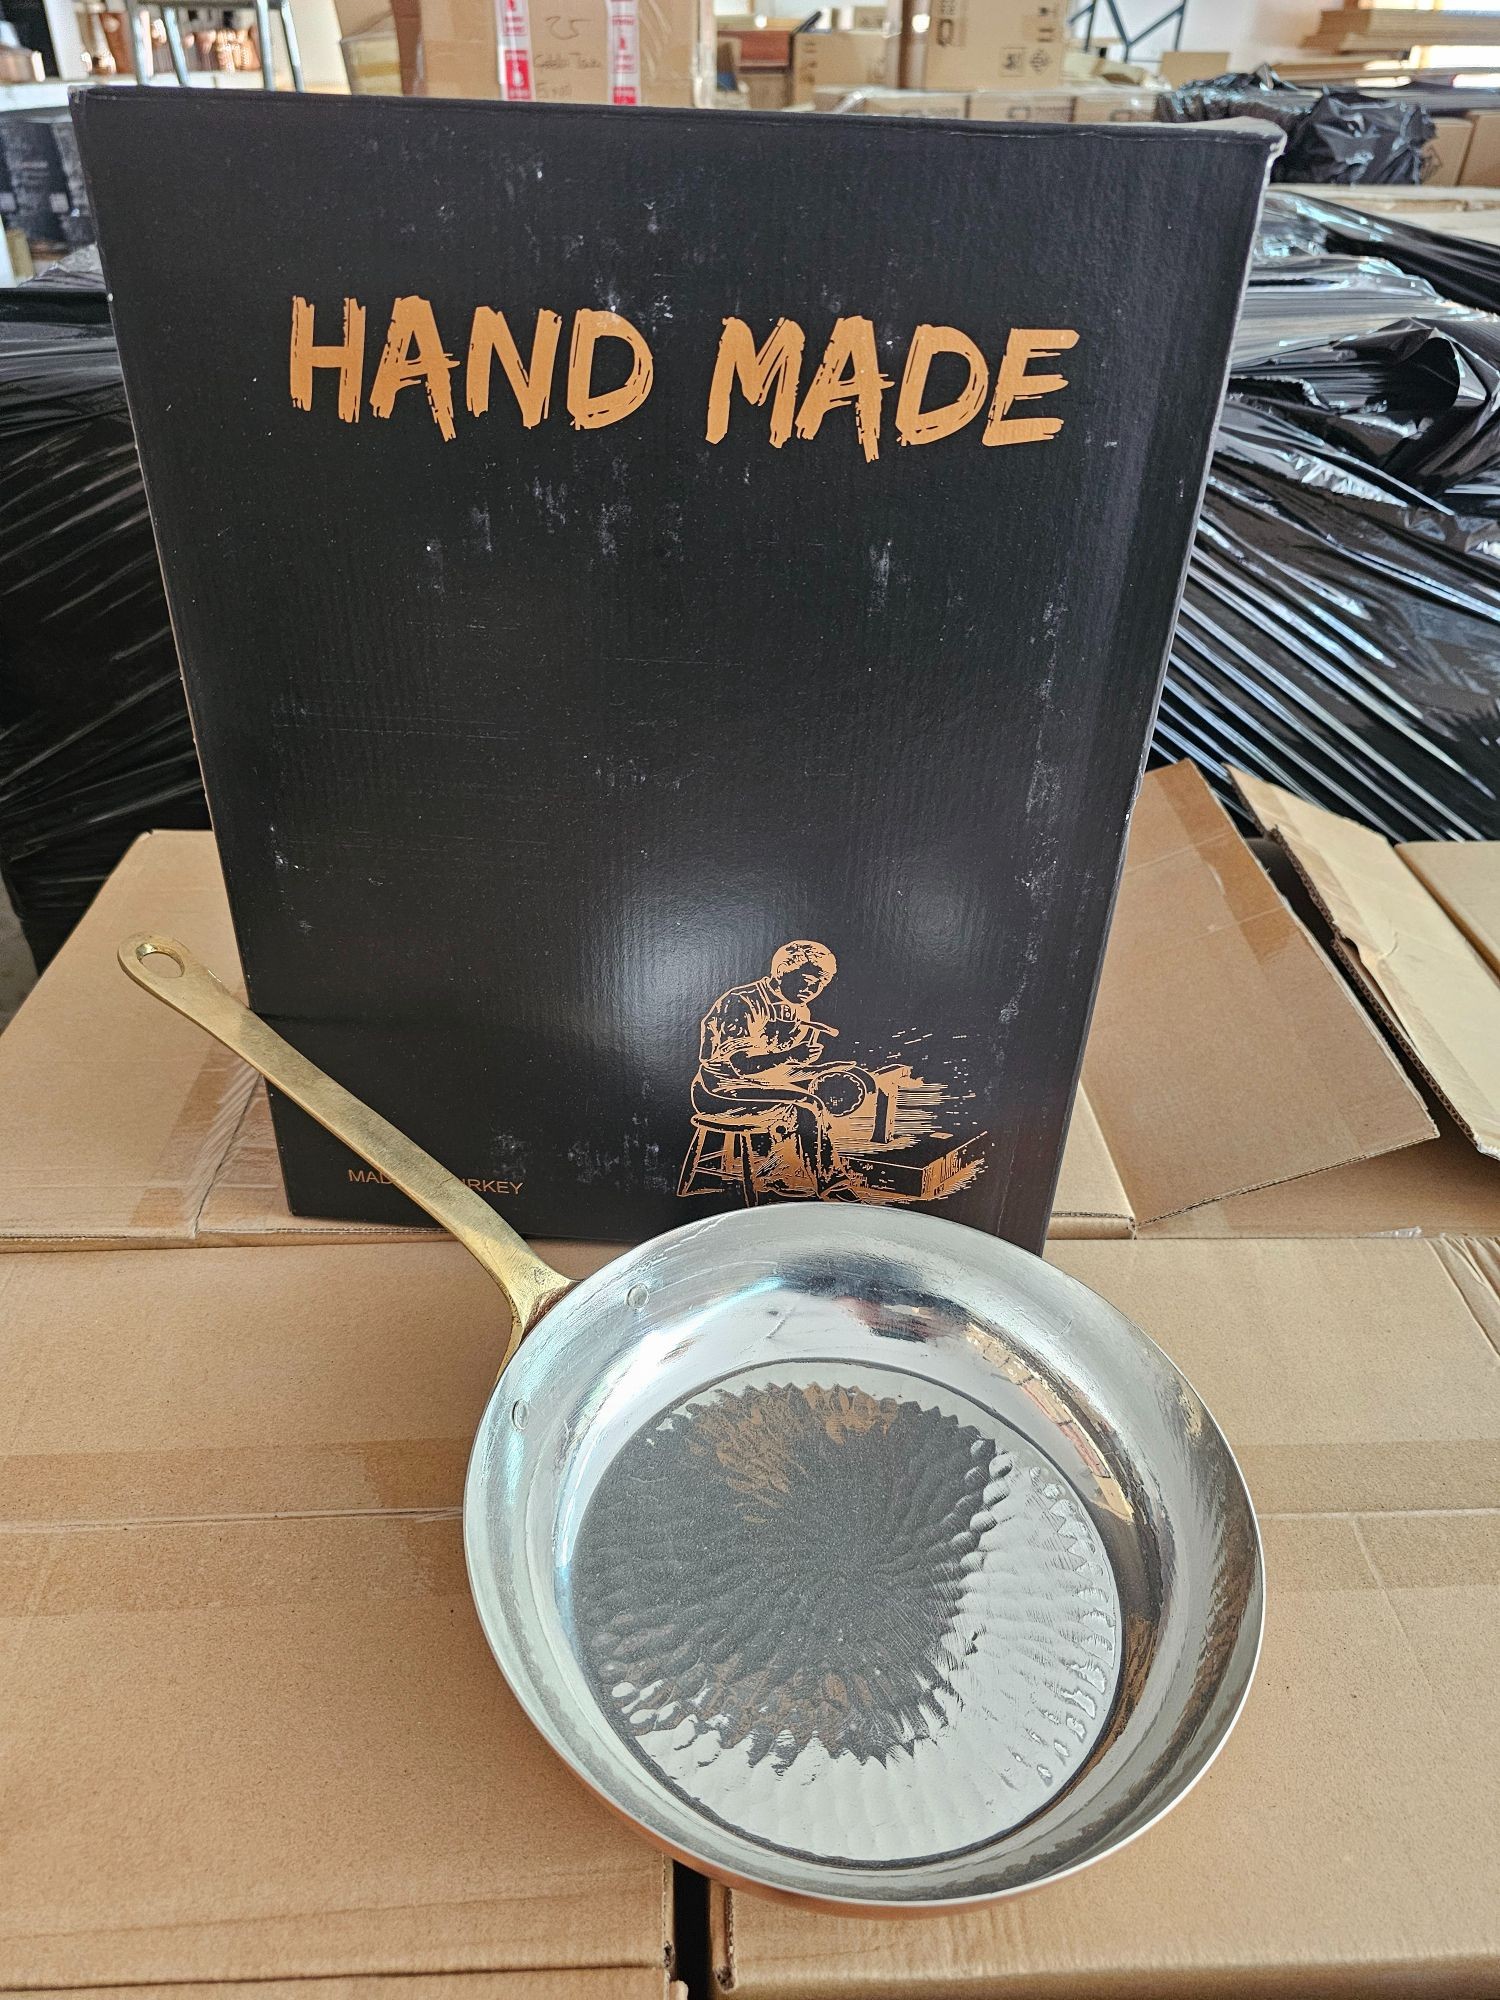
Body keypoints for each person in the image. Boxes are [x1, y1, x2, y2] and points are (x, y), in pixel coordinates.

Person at [690, 940, 867, 1200]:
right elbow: (742, 1066)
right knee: (806, 1105)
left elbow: (777, 1070)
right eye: (806, 980)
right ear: (782, 971)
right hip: (717, 1091)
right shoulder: (742, 1002)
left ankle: (780, 1172)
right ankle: (832, 1187)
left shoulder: (799, 1009)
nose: (811, 989)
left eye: (819, 985)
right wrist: (793, 1055)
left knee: (812, 1097)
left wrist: (818, 1069)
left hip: (756, 1086)